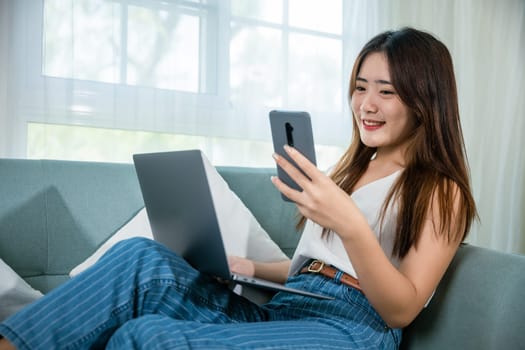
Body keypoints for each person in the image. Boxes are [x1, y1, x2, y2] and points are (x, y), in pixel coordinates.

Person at [0, 27, 477, 350]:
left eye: (386, 91)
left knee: (149, 336)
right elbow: (315, 269)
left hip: (348, 328)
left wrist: (351, 225)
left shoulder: (440, 190)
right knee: (138, 258)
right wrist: (249, 268)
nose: (366, 104)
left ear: (424, 99)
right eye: (360, 86)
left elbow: (402, 309)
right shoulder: (351, 170)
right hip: (289, 310)